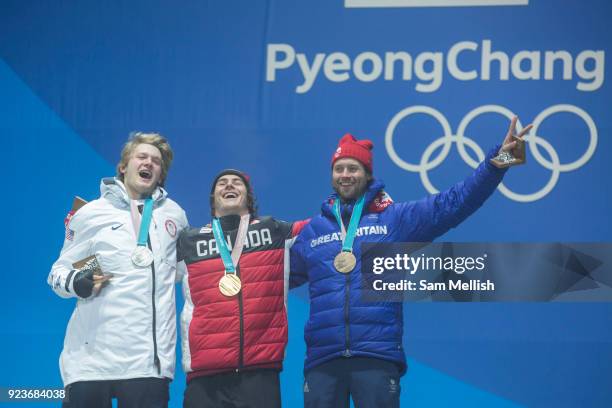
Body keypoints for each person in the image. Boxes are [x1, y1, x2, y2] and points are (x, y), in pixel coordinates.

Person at [290, 118, 532, 408]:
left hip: (376, 357)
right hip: (323, 361)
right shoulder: (313, 231)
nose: (345, 174)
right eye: (339, 168)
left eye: (353, 168)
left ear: (367, 175)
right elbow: (269, 278)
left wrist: (500, 160)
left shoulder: (395, 220)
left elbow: (454, 203)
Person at [48, 133, 188, 408]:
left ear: (161, 174)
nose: (149, 163)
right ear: (124, 166)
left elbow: (184, 273)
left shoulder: (174, 215)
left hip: (148, 364)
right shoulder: (91, 213)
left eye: (156, 161)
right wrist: (79, 281)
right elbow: (58, 272)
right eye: (142, 156)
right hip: (90, 361)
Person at [177, 169, 308, 408]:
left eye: (237, 183)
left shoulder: (274, 231)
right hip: (204, 377)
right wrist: (85, 269)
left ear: (248, 197)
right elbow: (132, 260)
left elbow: (325, 229)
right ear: (212, 197)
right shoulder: (189, 241)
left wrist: (374, 205)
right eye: (222, 183)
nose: (229, 186)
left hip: (259, 374)